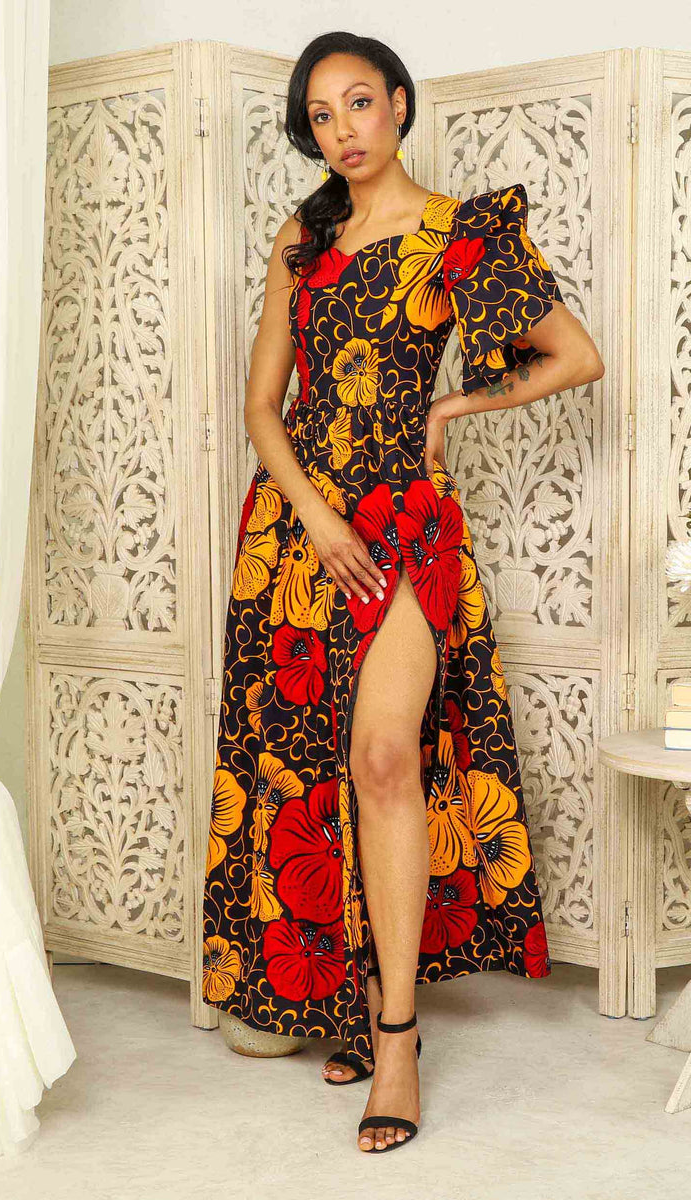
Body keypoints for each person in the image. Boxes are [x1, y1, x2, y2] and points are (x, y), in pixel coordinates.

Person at [201, 30, 604, 1154]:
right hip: (296, 533)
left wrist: (451, 408)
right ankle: (350, 995)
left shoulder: (458, 233)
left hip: (404, 530)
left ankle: (395, 1040)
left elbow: (574, 355)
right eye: (321, 115)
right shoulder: (303, 238)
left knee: (383, 757)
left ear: (400, 105)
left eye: (360, 103)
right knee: (312, 770)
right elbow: (262, 407)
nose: (343, 129)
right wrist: (315, 517)